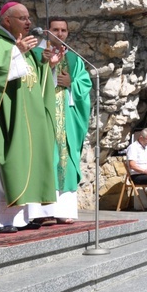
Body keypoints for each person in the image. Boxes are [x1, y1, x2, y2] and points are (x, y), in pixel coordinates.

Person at [0, 1, 57, 233]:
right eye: (22, 18)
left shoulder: (27, 48)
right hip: (0, 119)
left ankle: (22, 216)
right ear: (7, 20)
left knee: (25, 162)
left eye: (29, 18)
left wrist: (46, 64)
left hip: (26, 121)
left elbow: (34, 82)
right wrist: (16, 52)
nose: (29, 22)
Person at [29, 17, 92, 225]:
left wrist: (71, 83)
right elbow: (29, 82)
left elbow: (86, 85)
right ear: (47, 32)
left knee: (65, 159)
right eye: (55, 29)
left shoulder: (75, 59)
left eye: (64, 30)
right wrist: (47, 67)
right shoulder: (37, 54)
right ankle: (43, 211)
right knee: (46, 157)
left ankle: (63, 209)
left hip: (67, 118)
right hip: (43, 115)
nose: (60, 33)